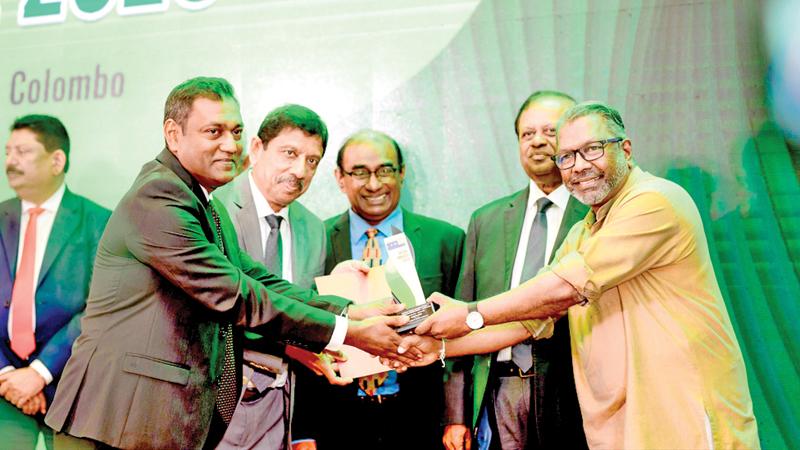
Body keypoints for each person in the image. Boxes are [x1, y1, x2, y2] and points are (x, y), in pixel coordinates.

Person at [44, 77, 414, 449]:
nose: (230, 145)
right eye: (213, 131)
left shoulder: (200, 199)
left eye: (235, 131)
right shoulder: (159, 196)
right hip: (112, 421)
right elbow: (235, 295)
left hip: (148, 421)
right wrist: (345, 332)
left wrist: (353, 311)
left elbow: (256, 279)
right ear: (174, 135)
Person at [407, 101, 760, 449]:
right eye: (567, 157)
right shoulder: (585, 230)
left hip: (680, 412)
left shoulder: (655, 201)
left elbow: (564, 288)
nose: (579, 166)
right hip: (619, 422)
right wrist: (436, 345)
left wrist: (470, 314)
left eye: (591, 150)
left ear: (626, 149)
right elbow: (533, 317)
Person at [292, 129, 465, 449]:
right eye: (359, 172)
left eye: (384, 170)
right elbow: (302, 328)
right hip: (337, 417)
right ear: (340, 178)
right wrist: (302, 430)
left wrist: (456, 416)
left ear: (402, 173)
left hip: (419, 417)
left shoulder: (445, 240)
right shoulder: (315, 241)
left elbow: (459, 337)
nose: (373, 184)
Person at [443, 91, 587, 450]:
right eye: (527, 134)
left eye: (549, 131)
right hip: (498, 390)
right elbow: (462, 313)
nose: (537, 141)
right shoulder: (486, 221)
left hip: (572, 394)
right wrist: (456, 415)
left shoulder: (595, 216)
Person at [215, 104, 362, 449]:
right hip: (219, 402)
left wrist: (336, 288)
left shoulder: (313, 229)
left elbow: (304, 309)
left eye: (311, 161)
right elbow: (218, 311)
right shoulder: (215, 210)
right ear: (255, 149)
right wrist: (296, 346)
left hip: (281, 409)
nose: (299, 170)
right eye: (289, 153)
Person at [0, 115, 110, 449]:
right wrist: (7, 376)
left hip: (71, 386)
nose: (10, 161)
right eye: (7, 152)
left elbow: (101, 310)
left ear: (57, 160)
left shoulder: (98, 223)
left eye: (22, 151)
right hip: (4, 387)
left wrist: (40, 372)